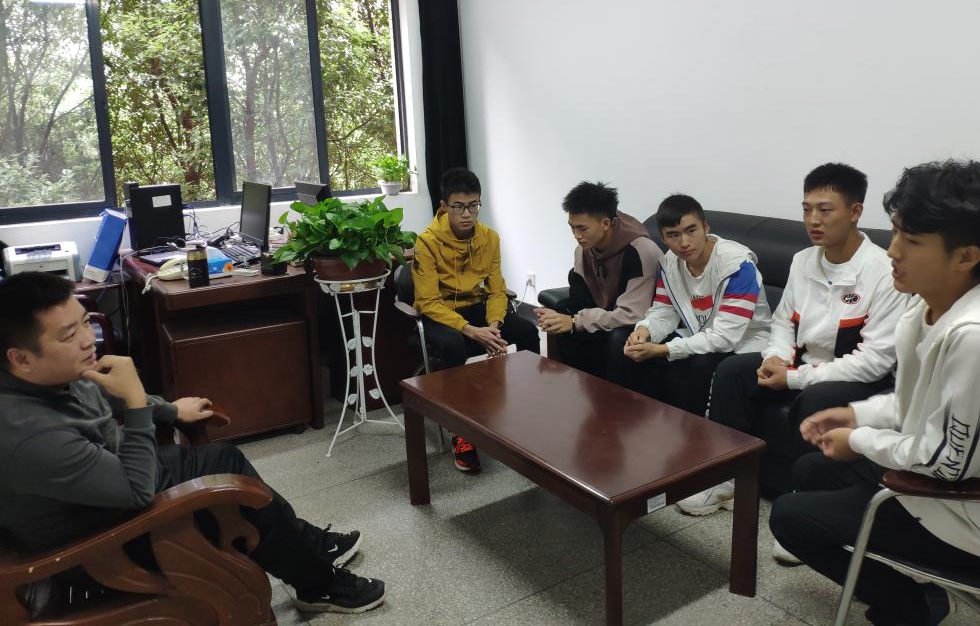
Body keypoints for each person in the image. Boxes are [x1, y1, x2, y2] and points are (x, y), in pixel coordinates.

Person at [0, 272, 385, 616]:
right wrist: (136, 402)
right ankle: (318, 583)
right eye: (69, 335)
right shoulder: (31, 436)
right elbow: (137, 489)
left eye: (86, 322)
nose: (89, 340)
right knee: (230, 489)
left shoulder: (52, 375)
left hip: (106, 485)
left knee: (223, 460)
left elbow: (106, 393)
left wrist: (169, 409)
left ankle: (305, 547)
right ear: (21, 358)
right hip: (97, 543)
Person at [770, 159, 980, 626]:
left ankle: (912, 608)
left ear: (965, 256)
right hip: (957, 481)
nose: (893, 251)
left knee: (789, 518)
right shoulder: (927, 309)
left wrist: (860, 440)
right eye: (896, 233)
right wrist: (856, 414)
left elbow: (948, 464)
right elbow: (917, 402)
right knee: (811, 468)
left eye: (912, 240)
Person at [677, 163, 908, 519]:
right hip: (802, 364)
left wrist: (794, 378)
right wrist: (776, 357)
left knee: (816, 397)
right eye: (807, 209)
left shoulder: (881, 271)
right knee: (733, 372)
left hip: (857, 377)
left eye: (825, 210)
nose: (813, 220)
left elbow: (874, 362)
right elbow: (783, 321)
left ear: (855, 212)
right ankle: (726, 478)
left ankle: (807, 500)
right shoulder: (803, 261)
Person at [411, 167, 540, 473]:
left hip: (477, 308)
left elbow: (497, 290)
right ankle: (461, 432)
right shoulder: (426, 242)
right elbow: (428, 302)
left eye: (474, 205)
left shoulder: (489, 238)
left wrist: (493, 326)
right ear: (444, 206)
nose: (467, 214)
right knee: (453, 346)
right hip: (441, 312)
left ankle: (529, 412)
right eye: (459, 206)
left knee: (526, 331)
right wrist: (471, 330)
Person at [615, 194, 772, 416]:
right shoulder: (670, 263)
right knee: (623, 340)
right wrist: (644, 330)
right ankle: (641, 420)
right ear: (663, 238)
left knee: (699, 363)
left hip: (745, 342)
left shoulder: (737, 266)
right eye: (673, 235)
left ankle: (696, 432)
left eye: (691, 230)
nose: (684, 242)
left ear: (705, 227)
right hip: (699, 333)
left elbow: (726, 337)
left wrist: (664, 350)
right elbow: (664, 310)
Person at [533, 181, 661, 379]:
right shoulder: (584, 249)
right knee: (563, 322)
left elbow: (633, 314)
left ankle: (613, 396)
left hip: (640, 322)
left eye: (582, 228)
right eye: (572, 227)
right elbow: (581, 298)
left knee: (615, 337)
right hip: (609, 314)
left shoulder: (640, 251)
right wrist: (560, 316)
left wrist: (576, 321)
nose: (576, 235)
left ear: (606, 223)